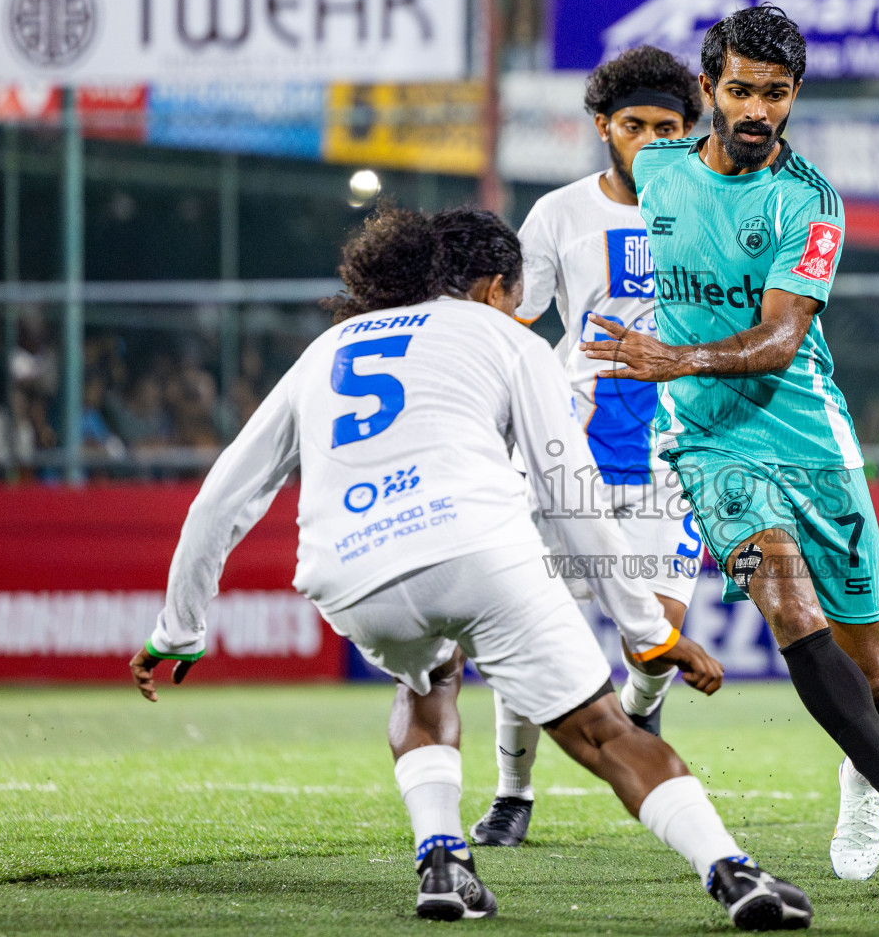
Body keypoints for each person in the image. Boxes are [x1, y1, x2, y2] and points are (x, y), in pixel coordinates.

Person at [129, 205, 813, 930]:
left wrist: (178, 628)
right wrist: (645, 629)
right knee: (605, 732)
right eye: (517, 298)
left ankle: (443, 860)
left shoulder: (327, 348)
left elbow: (221, 498)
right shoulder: (504, 338)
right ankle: (733, 873)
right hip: (479, 551)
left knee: (425, 679)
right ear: (492, 287)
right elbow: (566, 489)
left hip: (350, 573)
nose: (519, 312)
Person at [581, 5, 879, 883]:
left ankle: (864, 791)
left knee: (871, 662)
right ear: (710, 87)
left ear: (795, 97)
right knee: (790, 606)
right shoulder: (657, 167)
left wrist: (669, 354)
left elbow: (781, 341)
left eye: (777, 94)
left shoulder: (810, 202)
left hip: (810, 436)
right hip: (710, 444)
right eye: (742, 90)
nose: (758, 110)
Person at [470, 45, 707, 848]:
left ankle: (638, 721)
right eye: (633, 125)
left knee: (660, 636)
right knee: (532, 627)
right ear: (605, 127)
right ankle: (513, 791)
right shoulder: (559, 214)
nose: (648, 140)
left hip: (673, 457)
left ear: (688, 131)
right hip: (566, 452)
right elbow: (512, 322)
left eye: (666, 127)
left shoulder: (718, 211)